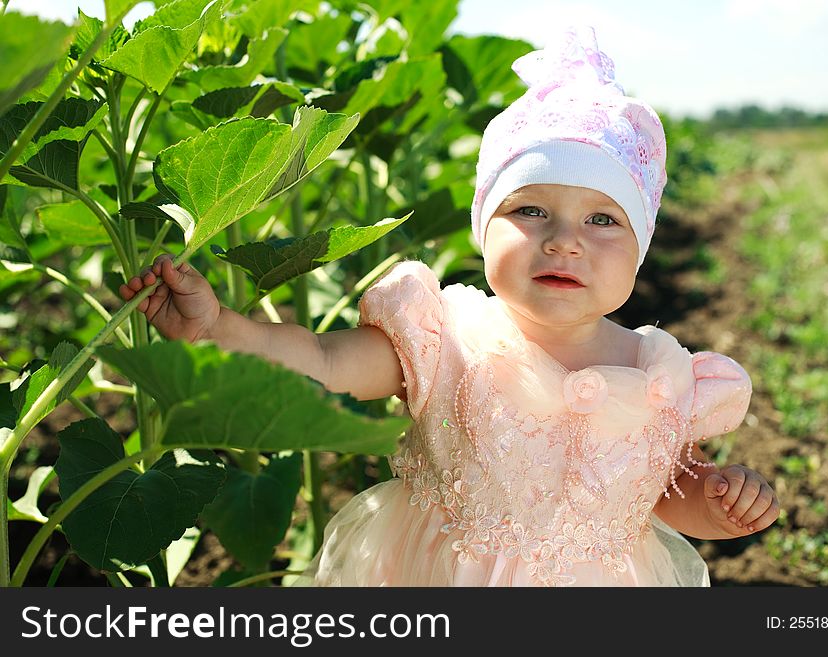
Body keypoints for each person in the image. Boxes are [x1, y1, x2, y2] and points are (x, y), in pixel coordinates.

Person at [120, 25, 779, 586]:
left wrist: (716, 502)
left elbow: (663, 494)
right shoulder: (447, 335)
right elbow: (324, 358)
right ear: (482, 228)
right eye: (530, 210)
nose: (564, 241)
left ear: (640, 247)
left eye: (603, 220)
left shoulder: (657, 370)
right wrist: (221, 326)